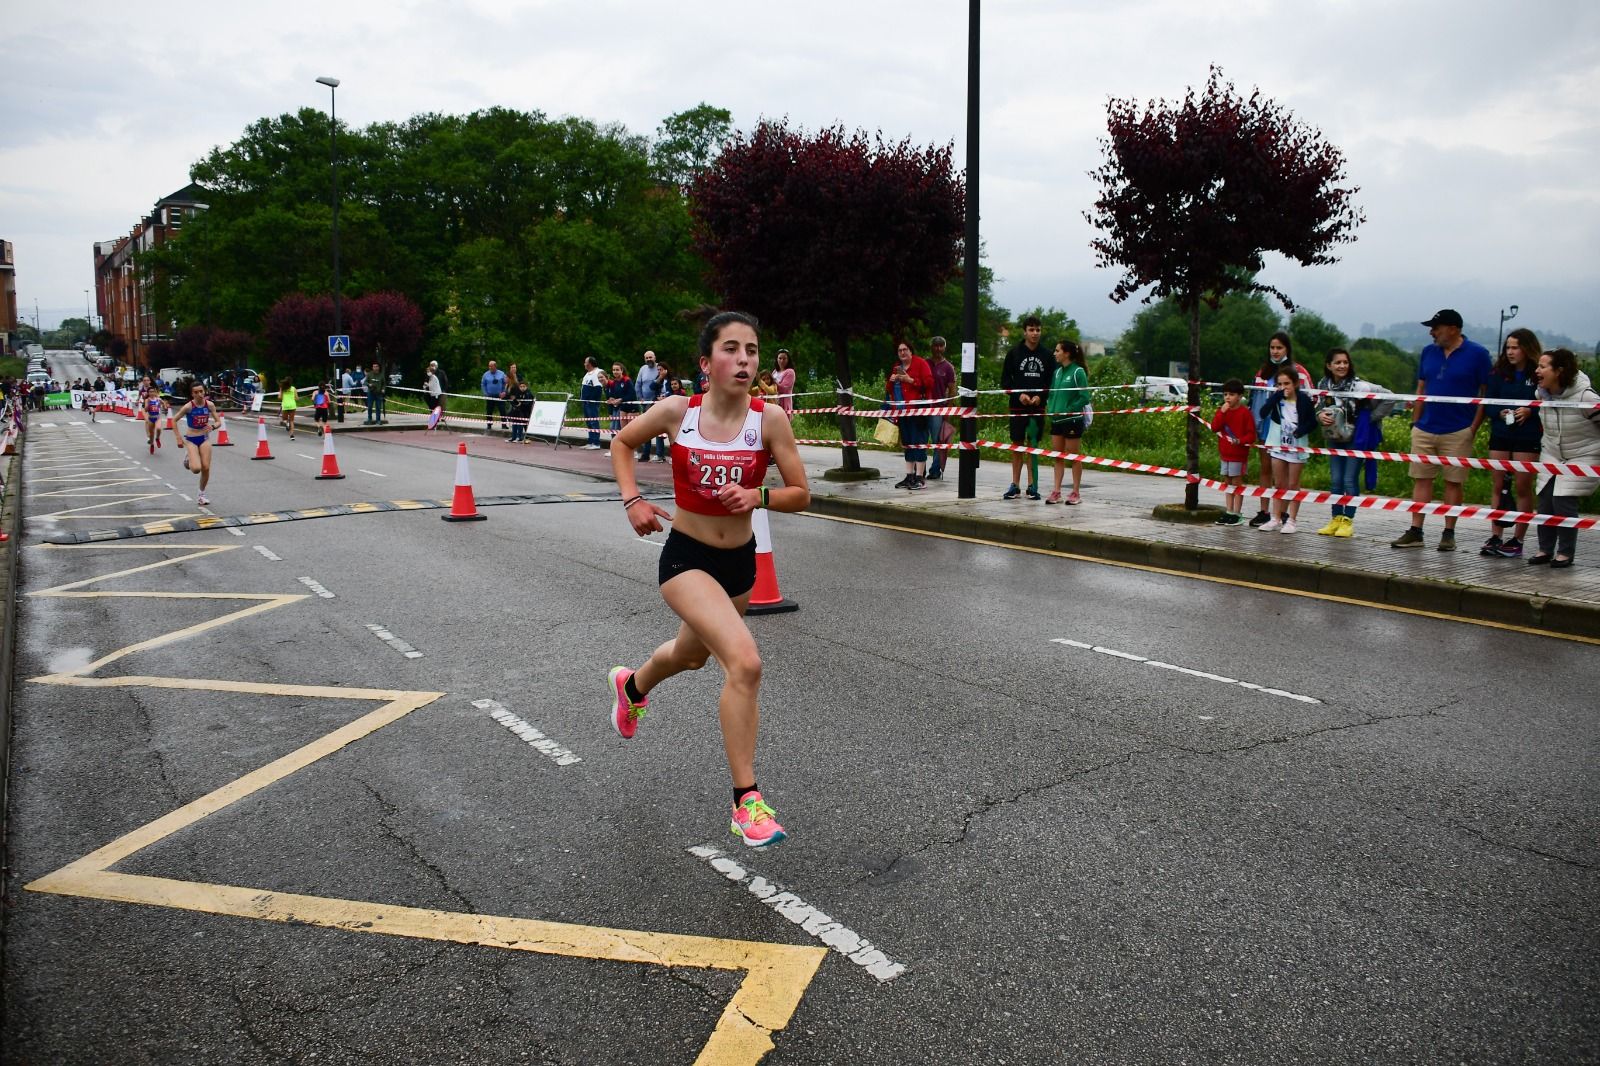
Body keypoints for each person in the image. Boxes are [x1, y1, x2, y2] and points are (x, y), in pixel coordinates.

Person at [606, 310, 811, 848]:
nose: (744, 359)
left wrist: (757, 496)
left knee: (691, 656)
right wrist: (633, 501)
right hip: (686, 557)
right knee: (744, 661)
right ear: (706, 363)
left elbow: (801, 493)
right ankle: (747, 801)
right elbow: (622, 444)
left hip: (738, 565)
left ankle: (632, 685)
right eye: (731, 349)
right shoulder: (678, 412)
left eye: (752, 350)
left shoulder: (769, 421)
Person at [1391, 310, 1493, 552]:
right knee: (1421, 479)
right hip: (1426, 427)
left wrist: (1473, 427)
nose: (1432, 332)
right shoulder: (1428, 352)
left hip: (1458, 428)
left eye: (1436, 327)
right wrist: (1415, 422)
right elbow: (1421, 387)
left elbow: (1486, 392)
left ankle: (1449, 533)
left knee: (1453, 482)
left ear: (1453, 328)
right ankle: (1416, 530)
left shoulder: (1478, 354)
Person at [1473, 329, 1543, 558]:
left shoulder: (1538, 373)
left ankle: (1518, 539)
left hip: (1527, 436)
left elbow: (1548, 400)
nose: (1511, 352)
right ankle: (1496, 534)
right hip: (1501, 433)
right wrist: (1500, 412)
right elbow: (1488, 402)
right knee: (1499, 483)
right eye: (1508, 348)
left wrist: (1530, 410)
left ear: (1527, 349)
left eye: (1516, 347)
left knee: (1523, 485)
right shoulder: (1499, 372)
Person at [1528, 348, 1600, 568]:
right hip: (1552, 452)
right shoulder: (1540, 394)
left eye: (1543, 366)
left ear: (1559, 371)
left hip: (1584, 453)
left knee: (1563, 499)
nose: (1537, 371)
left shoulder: (1586, 396)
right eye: (1537, 366)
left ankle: (1565, 553)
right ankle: (1544, 550)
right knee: (1545, 500)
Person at [1247, 332, 1313, 526]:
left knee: (1288, 476)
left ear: (1287, 349)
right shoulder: (1262, 372)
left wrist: (1303, 421)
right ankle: (1265, 511)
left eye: (1279, 348)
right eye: (1272, 347)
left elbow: (1312, 397)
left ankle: (1284, 514)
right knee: (1266, 469)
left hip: (1290, 429)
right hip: (1266, 427)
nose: (1275, 351)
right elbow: (1255, 400)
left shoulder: (1299, 371)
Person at [1313, 348, 1377, 537]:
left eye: (1345, 362)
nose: (1342, 366)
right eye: (1338, 362)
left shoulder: (1360, 386)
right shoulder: (1323, 384)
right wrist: (1320, 415)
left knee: (1350, 480)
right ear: (1329, 365)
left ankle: (1348, 521)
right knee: (1336, 480)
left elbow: (1387, 396)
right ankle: (1335, 519)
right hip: (1333, 437)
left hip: (1354, 440)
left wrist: (1371, 418)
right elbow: (1318, 405)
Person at [1258, 366, 1316, 533]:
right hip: (1278, 442)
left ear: (1296, 383)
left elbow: (1312, 422)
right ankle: (1275, 518)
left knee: (1293, 483)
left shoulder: (1304, 399)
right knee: (1279, 483)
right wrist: (1275, 396)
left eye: (1287, 383)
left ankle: (1291, 520)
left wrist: (1300, 431)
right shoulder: (1277, 398)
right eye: (1280, 384)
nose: (1284, 387)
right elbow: (1263, 413)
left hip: (1296, 444)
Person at [1001, 316, 1050, 500]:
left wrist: (1040, 396)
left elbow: (1050, 383)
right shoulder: (1014, 353)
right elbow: (1005, 382)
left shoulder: (1046, 355)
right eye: (1031, 329)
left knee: (1033, 446)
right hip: (1017, 408)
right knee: (1017, 445)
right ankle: (1015, 484)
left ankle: (1033, 485)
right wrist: (1018, 395)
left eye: (1038, 329)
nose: (1035, 333)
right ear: (1025, 331)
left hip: (1038, 408)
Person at [1045, 339, 1090, 504]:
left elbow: (1084, 396)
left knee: (1073, 456)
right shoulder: (1057, 372)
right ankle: (1056, 491)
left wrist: (1070, 408)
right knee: (1058, 456)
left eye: (1057, 351)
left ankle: (1076, 492)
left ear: (1067, 353)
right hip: (1056, 420)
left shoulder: (1078, 372)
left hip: (1072, 420)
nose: (1055, 354)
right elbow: (1051, 394)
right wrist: (1051, 408)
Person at [886, 341, 935, 490]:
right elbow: (889, 389)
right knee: (907, 443)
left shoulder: (921, 364)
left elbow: (929, 383)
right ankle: (909, 476)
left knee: (918, 442)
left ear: (910, 351)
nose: (902, 353)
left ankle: (920, 477)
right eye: (900, 350)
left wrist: (911, 380)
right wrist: (891, 380)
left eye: (905, 349)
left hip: (918, 410)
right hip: (901, 410)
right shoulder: (896, 368)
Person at [1210, 378, 1257, 524]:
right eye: (1225, 394)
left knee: (1237, 482)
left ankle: (1237, 513)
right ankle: (1229, 511)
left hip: (1239, 455)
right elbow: (1214, 427)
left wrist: (1240, 441)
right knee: (1227, 481)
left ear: (1239, 396)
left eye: (1231, 394)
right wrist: (1221, 413)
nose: (1227, 398)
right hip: (1225, 453)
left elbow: (1251, 435)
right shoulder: (1223, 411)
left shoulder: (1245, 413)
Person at [170, 379, 217, 507]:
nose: (199, 394)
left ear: (204, 391)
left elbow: (218, 421)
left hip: (204, 438)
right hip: (191, 439)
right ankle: (188, 458)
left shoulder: (210, 405)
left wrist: (213, 427)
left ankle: (201, 495)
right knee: (196, 469)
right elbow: (174, 420)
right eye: (196, 392)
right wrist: (178, 438)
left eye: (201, 391)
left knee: (206, 467)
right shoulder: (188, 406)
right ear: (192, 394)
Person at [925, 338, 956, 479]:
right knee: (921, 439)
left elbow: (952, 390)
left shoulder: (948, 367)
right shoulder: (925, 363)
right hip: (922, 407)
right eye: (935, 346)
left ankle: (935, 470)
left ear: (944, 347)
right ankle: (919, 468)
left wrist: (949, 410)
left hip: (938, 409)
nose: (938, 349)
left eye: (940, 346)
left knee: (937, 439)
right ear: (931, 347)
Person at [635, 351, 667, 463]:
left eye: (650, 357)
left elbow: (663, 383)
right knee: (645, 429)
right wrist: (640, 398)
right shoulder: (642, 369)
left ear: (655, 357)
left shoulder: (659, 368)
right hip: (645, 403)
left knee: (658, 429)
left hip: (657, 403)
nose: (649, 359)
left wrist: (662, 396)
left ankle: (659, 454)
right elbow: (638, 384)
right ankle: (645, 454)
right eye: (646, 357)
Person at [580, 357, 606, 449]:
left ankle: (596, 443)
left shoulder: (597, 372)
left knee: (594, 421)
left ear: (590, 364)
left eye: (585, 362)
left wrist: (592, 400)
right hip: (585, 402)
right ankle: (590, 441)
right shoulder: (587, 374)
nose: (584, 364)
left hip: (592, 402)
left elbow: (598, 389)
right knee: (589, 422)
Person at [606, 361, 635, 437]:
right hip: (620, 409)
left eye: (617, 370)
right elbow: (612, 396)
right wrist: (611, 400)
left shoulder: (627, 380)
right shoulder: (613, 383)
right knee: (615, 430)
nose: (615, 371)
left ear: (621, 370)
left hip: (631, 408)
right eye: (614, 370)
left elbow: (632, 395)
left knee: (630, 431)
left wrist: (621, 399)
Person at [481, 359, 508, 431]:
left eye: (491, 366)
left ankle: (504, 424)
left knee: (502, 410)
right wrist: (485, 393)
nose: (490, 368)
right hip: (490, 395)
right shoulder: (485, 374)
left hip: (500, 395)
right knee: (489, 410)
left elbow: (506, 383)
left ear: (495, 366)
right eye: (489, 366)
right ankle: (489, 424)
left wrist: (504, 392)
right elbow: (483, 384)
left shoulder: (502, 373)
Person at [143, 377, 165, 453]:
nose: (152, 393)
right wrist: (148, 404)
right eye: (150, 392)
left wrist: (165, 407)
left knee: (158, 429)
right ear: (148, 393)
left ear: (155, 392)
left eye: (153, 392)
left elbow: (163, 403)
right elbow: (145, 410)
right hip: (150, 418)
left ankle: (157, 438)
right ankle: (152, 445)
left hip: (157, 417)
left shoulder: (158, 399)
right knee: (151, 434)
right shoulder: (147, 400)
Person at [508, 378, 534, 443]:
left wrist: (520, 404)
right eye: (521, 386)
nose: (522, 388)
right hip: (518, 411)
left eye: (523, 386)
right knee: (515, 422)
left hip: (526, 411)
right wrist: (516, 405)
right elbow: (514, 401)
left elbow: (528, 403)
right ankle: (514, 437)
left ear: (526, 387)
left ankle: (523, 437)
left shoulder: (528, 394)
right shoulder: (518, 393)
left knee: (524, 424)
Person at [773, 348, 797, 417]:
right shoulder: (775, 371)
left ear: (788, 360)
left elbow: (783, 388)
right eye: (780, 358)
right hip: (773, 402)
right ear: (777, 359)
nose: (782, 361)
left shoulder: (790, 372)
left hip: (784, 404)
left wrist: (773, 381)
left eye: (784, 358)